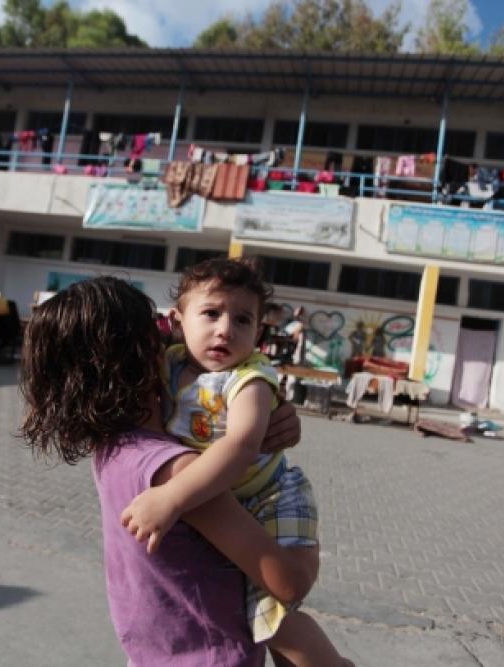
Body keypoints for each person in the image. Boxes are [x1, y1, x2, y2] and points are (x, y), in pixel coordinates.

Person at [19, 277, 321, 667]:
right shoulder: (180, 473)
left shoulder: (114, 448)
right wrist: (306, 548)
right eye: (160, 329)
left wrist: (266, 419)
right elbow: (290, 582)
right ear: (147, 351)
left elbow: (221, 424)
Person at [122, 259, 349, 666]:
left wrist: (171, 497)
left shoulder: (249, 377)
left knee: (275, 615)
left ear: (258, 333)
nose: (226, 329)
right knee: (252, 612)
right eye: (211, 313)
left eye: (243, 320)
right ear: (178, 321)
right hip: (231, 498)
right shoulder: (170, 363)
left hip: (271, 498)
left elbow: (242, 445)